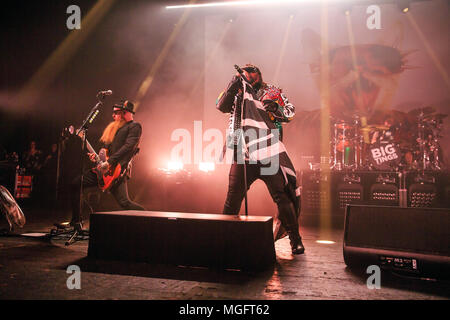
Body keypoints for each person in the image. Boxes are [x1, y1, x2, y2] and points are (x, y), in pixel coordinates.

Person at [216, 64, 305, 254]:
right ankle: (223, 236)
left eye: (252, 70)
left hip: (267, 150)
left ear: (259, 74)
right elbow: (220, 106)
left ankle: (295, 239)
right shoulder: (237, 92)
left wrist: (276, 109)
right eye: (245, 71)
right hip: (243, 152)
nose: (248, 73)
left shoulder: (270, 91)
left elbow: (290, 113)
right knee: (232, 199)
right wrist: (233, 84)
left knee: (282, 195)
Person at [69, 100, 145, 228]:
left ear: (125, 112)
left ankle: (150, 218)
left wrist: (109, 162)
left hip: (118, 170)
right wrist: (97, 157)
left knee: (124, 202)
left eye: (116, 112)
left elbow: (128, 147)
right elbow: (106, 151)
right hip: (105, 169)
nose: (113, 115)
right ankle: (76, 221)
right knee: (76, 183)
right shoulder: (115, 128)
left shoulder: (135, 127)